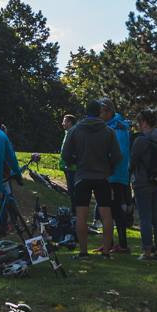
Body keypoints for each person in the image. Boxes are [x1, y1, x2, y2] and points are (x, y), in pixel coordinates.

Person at [59, 101, 122, 256]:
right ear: (99, 112)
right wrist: (109, 168)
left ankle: (83, 251)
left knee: (81, 215)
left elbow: (65, 155)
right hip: (102, 177)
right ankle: (106, 251)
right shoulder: (108, 131)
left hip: (82, 176)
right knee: (107, 215)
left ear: (86, 112)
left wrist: (76, 162)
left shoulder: (75, 130)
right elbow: (117, 156)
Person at [130, 110, 157, 259]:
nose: (138, 125)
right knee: (156, 217)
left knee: (145, 218)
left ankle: (147, 250)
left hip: (143, 182)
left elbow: (133, 161)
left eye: (139, 122)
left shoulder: (140, 140)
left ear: (144, 122)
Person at [103, 100, 134, 253]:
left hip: (114, 175)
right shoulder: (116, 125)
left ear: (108, 111)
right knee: (109, 210)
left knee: (115, 211)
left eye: (101, 112)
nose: (99, 115)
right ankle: (111, 243)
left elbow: (119, 153)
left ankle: (121, 245)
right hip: (117, 174)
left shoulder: (117, 127)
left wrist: (106, 167)